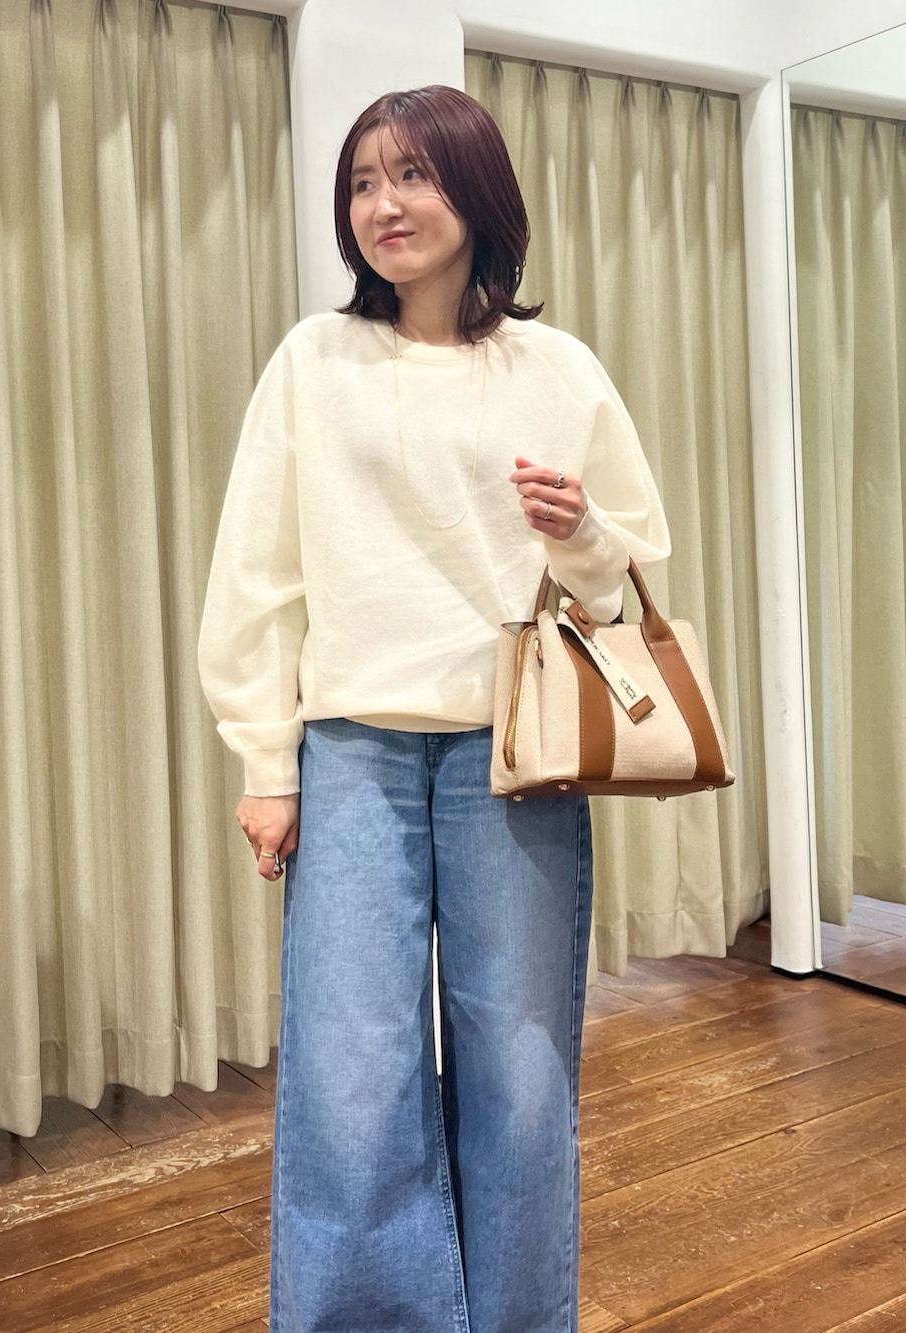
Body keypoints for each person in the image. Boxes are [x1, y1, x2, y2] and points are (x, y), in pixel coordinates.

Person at [198, 84, 670, 1333]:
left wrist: (579, 533)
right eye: (363, 182)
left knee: (518, 1067)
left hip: (512, 754)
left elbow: (623, 576)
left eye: (412, 174)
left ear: (476, 191)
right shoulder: (315, 362)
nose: (384, 204)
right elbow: (258, 573)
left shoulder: (557, 369)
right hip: (352, 747)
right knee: (351, 1076)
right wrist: (267, 760)